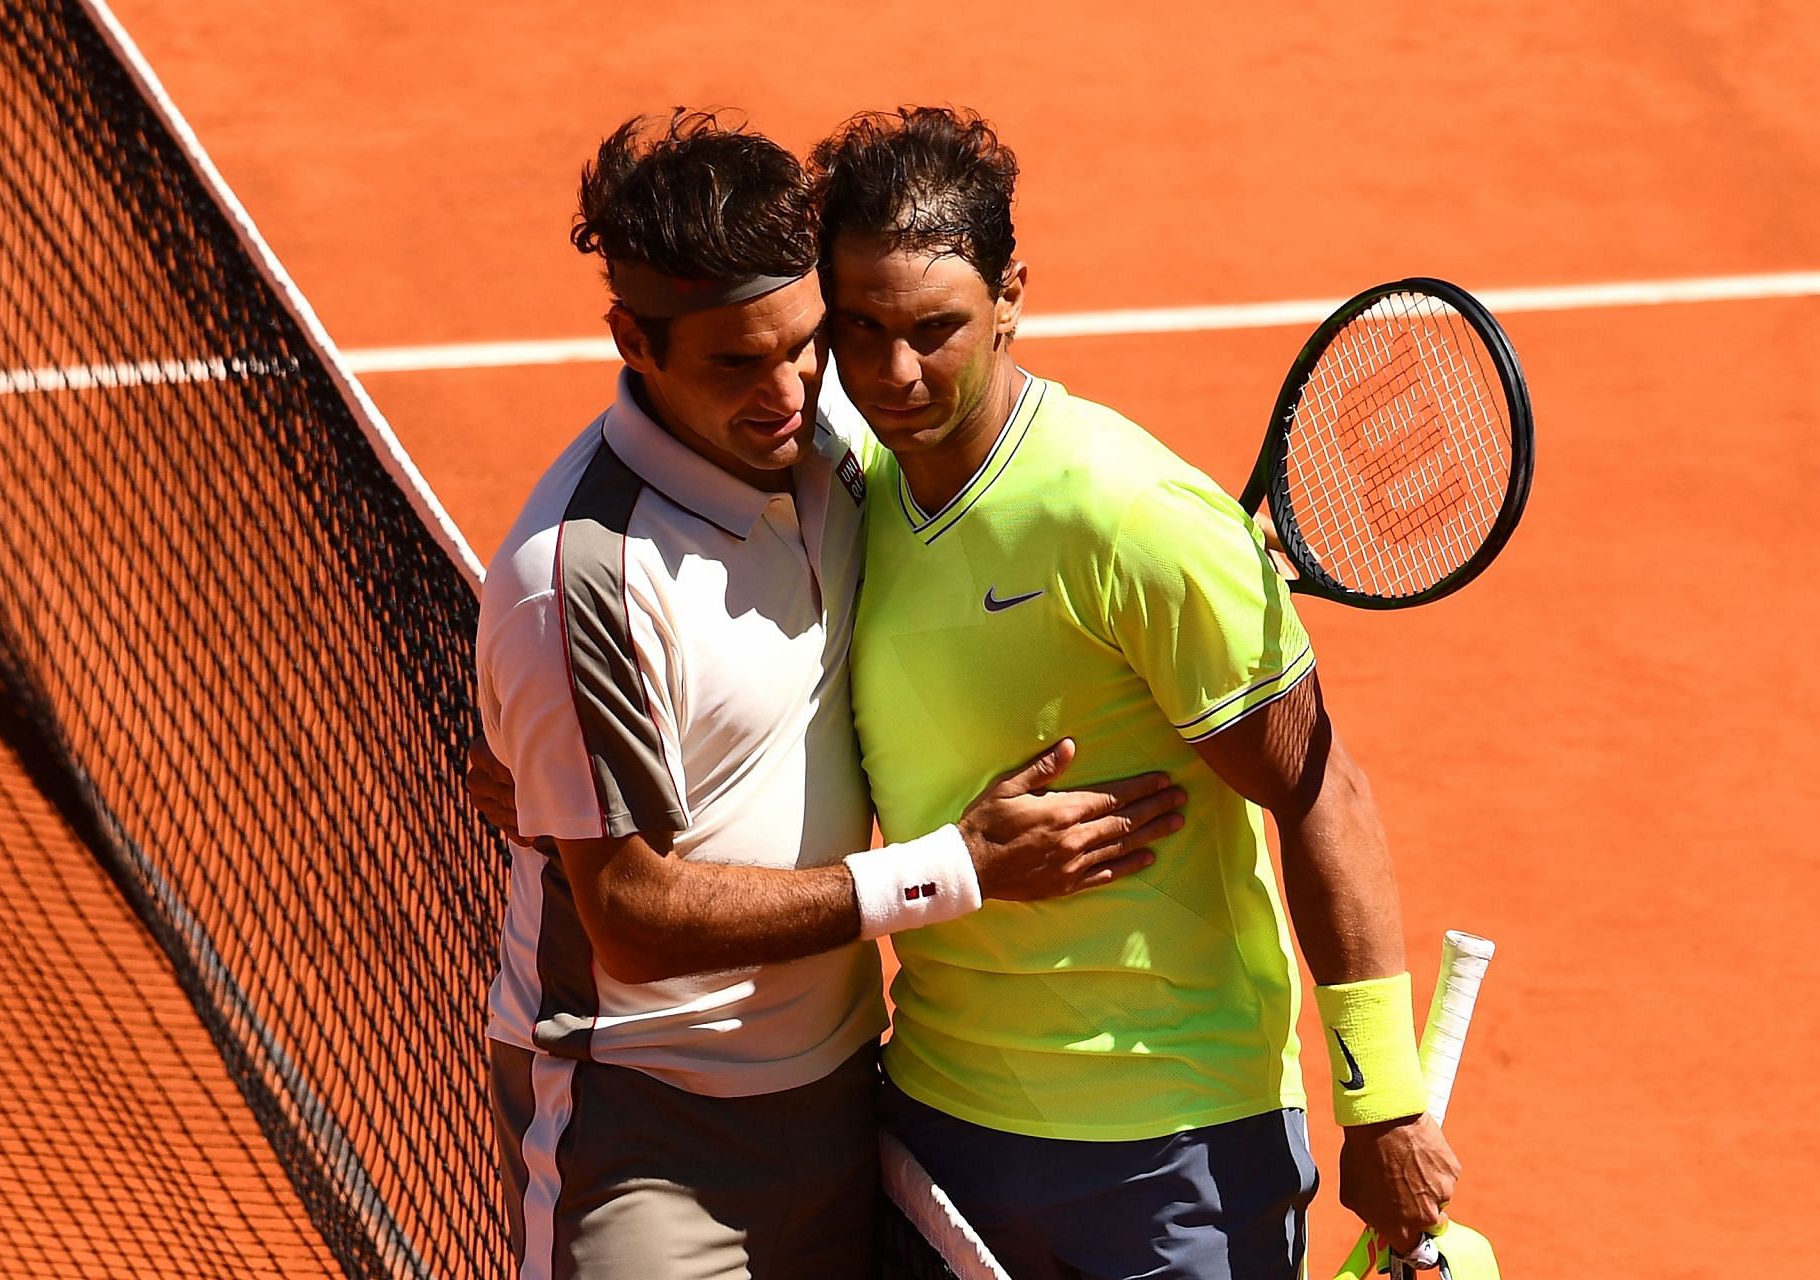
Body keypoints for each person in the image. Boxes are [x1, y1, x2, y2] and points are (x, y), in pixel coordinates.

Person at [473, 110, 1187, 1280]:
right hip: (651, 1123)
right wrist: (952, 869)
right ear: (632, 340)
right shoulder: (581, 582)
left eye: (806, 342)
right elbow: (634, 917)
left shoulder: (841, 446)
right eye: (735, 362)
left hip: (851, 1090)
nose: (788, 391)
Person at [808, 106, 1460, 1280]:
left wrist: (1384, 1099)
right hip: (941, 1112)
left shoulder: (1131, 516)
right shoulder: (846, 488)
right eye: (859, 327)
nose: (895, 372)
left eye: (934, 328)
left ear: (1011, 294)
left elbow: (1323, 792)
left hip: (1173, 1141)